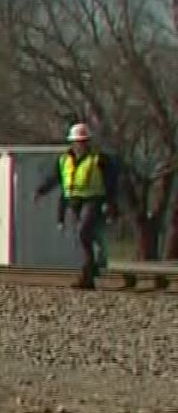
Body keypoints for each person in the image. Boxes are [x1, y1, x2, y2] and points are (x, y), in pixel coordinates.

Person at [34, 122, 120, 289]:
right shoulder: (64, 160)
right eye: (78, 141)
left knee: (83, 233)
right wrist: (41, 191)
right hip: (74, 202)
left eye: (84, 141)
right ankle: (92, 269)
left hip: (94, 200)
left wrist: (111, 203)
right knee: (84, 237)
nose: (81, 144)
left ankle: (89, 271)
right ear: (72, 142)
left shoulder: (100, 159)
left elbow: (111, 182)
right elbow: (56, 178)